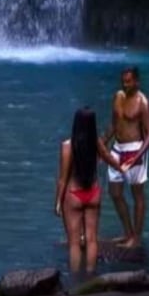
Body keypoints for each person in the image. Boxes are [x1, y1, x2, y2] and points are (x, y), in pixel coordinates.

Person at [54, 107, 123, 273]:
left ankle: (76, 279)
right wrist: (122, 168)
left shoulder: (67, 146)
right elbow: (109, 158)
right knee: (92, 240)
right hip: (93, 193)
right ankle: (91, 276)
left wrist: (57, 202)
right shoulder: (96, 143)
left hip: (74, 195)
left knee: (74, 243)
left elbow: (63, 179)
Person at [104, 65, 149, 248]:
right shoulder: (118, 97)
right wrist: (102, 144)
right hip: (117, 148)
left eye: (129, 82)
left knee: (137, 194)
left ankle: (136, 238)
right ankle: (127, 232)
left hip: (136, 149)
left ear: (137, 81)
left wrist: (138, 156)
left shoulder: (144, 102)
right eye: (123, 81)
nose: (125, 85)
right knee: (115, 192)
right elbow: (114, 124)